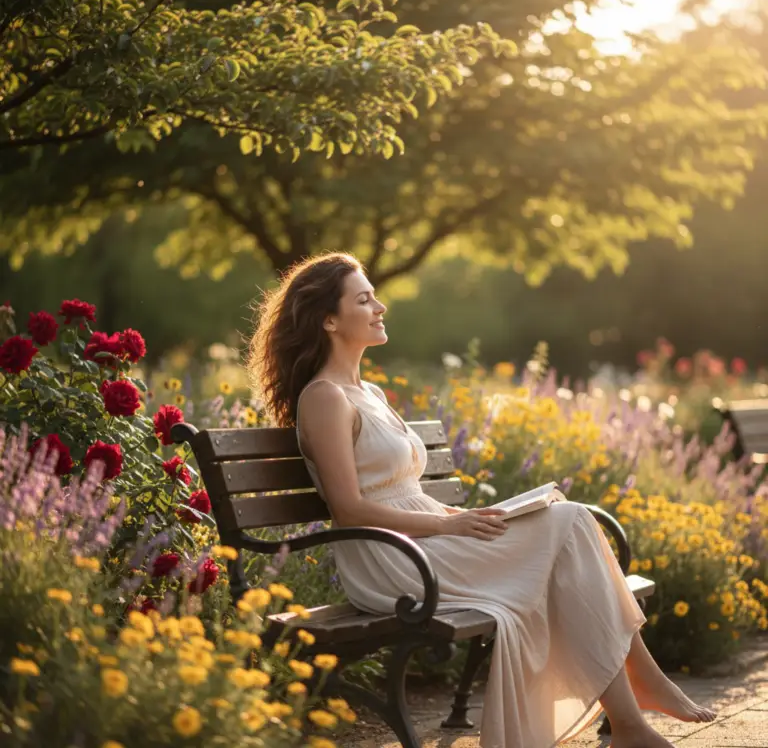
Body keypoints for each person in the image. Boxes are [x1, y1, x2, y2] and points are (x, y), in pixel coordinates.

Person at [246, 252, 716, 748]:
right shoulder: (324, 398)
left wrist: (464, 515)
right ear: (328, 319)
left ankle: (630, 722)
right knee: (573, 522)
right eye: (365, 300)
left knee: (565, 528)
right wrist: (450, 527)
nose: (380, 307)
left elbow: (407, 493)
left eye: (376, 296)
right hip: (393, 559)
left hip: (427, 539)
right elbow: (350, 509)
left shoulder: (372, 393)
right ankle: (641, 698)